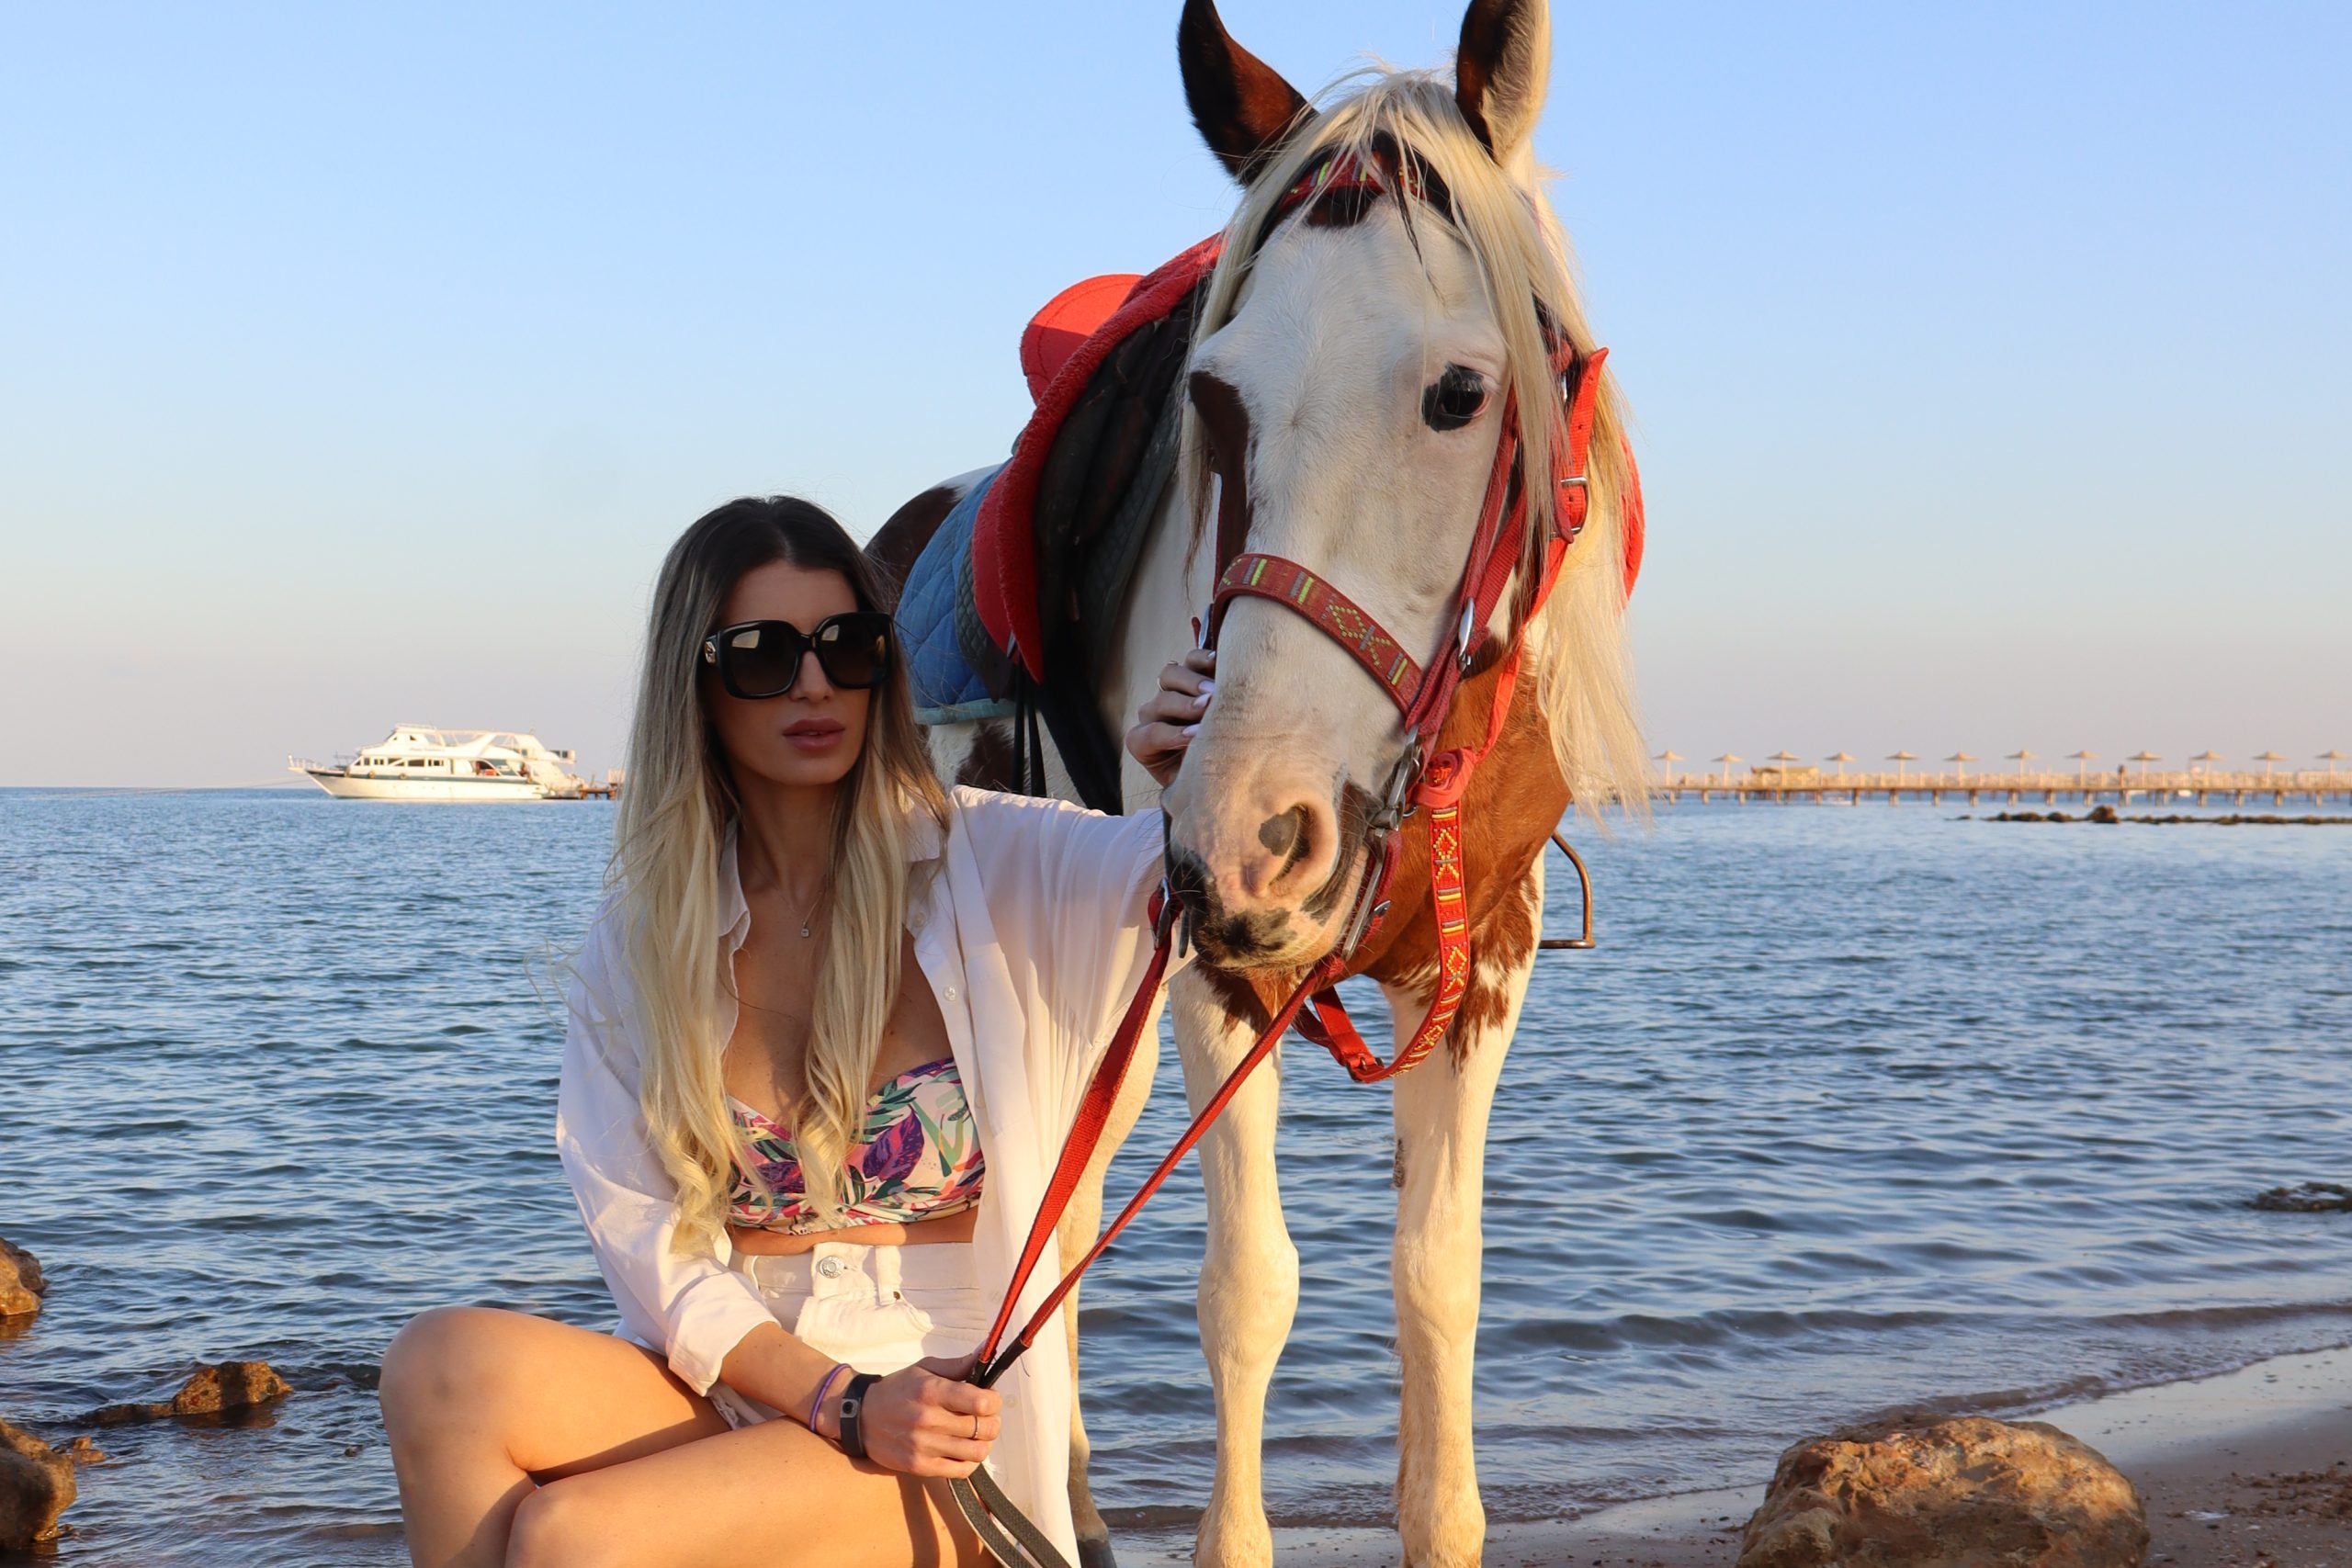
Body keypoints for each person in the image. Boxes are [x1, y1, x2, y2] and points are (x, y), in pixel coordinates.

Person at [379, 495, 1214, 1568]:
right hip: (762, 1391)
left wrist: (1201, 771)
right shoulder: (652, 936)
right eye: (762, 655)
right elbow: (647, 1238)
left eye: (846, 648)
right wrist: (831, 1400)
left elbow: (1217, 887)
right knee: (436, 1369)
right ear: (698, 682)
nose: (813, 683)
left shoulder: (1004, 863)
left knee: (572, 1537)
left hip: (943, 1434)